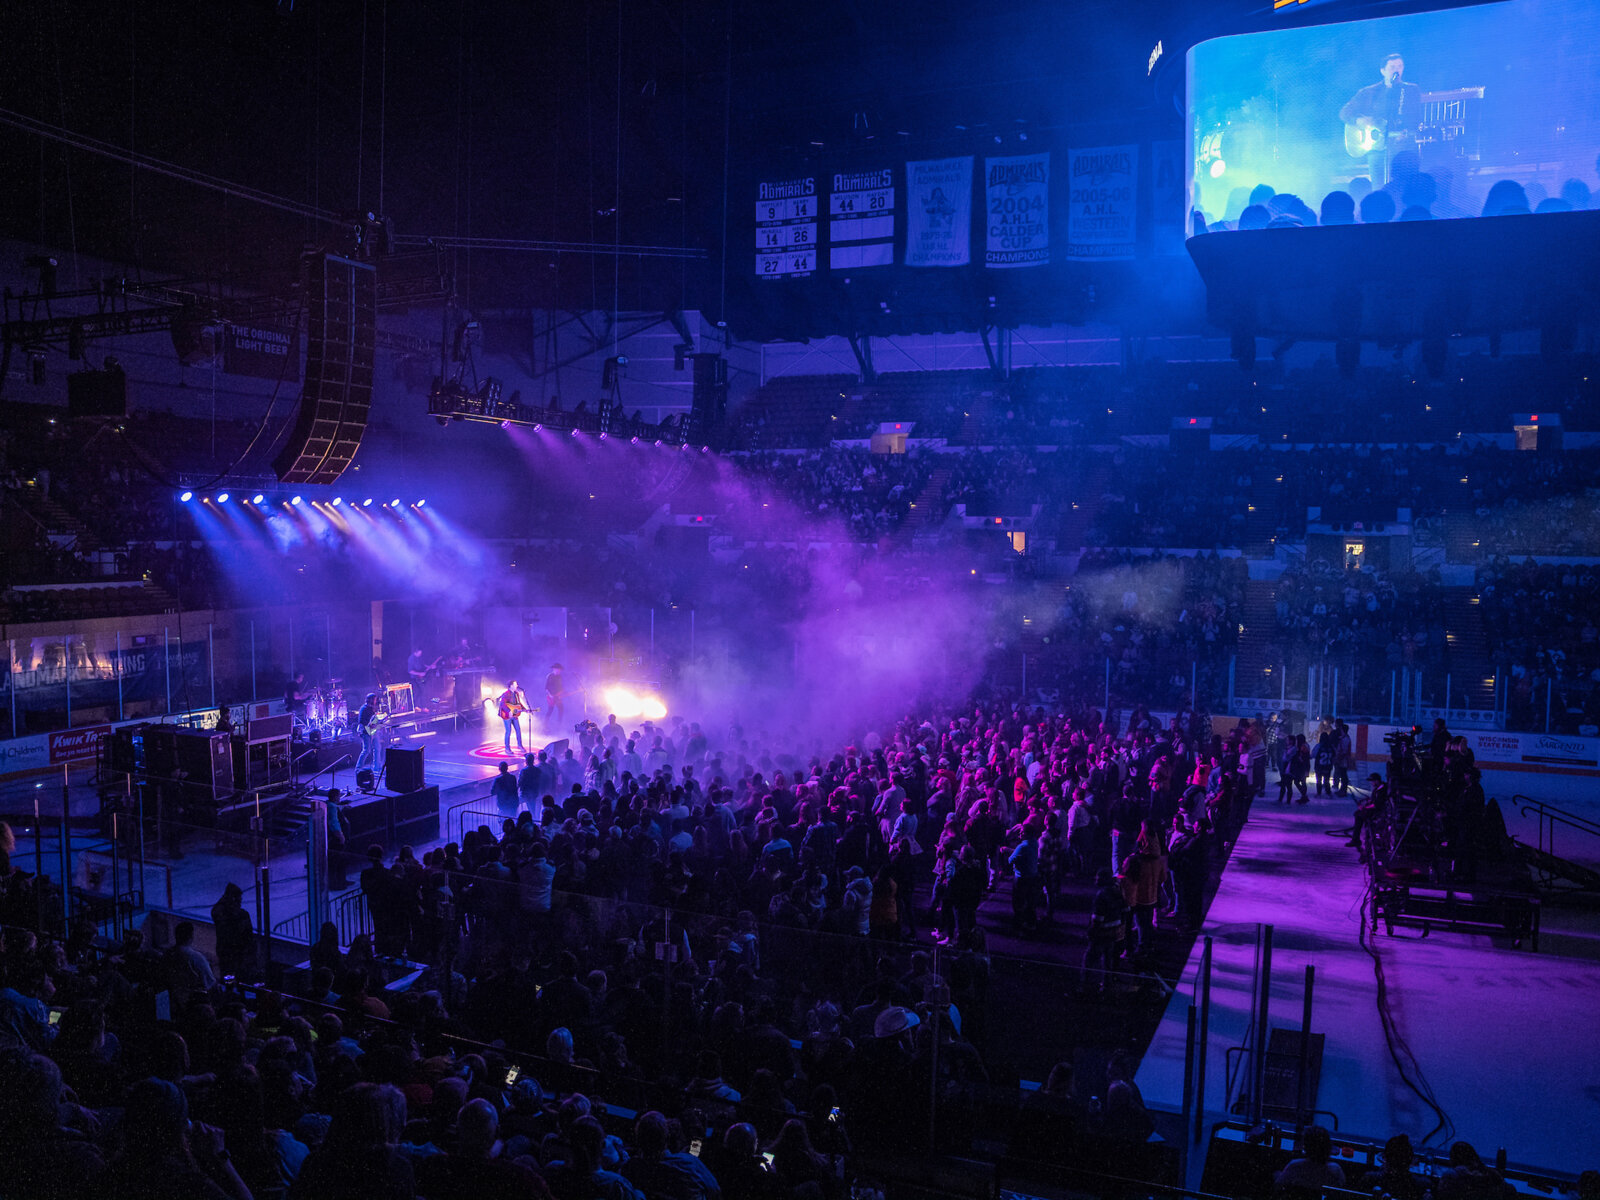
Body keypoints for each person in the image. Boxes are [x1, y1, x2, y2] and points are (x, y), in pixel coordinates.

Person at [1339, 53, 1421, 187]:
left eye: (1400, 66)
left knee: (1403, 186)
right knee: (1379, 188)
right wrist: (1358, 121)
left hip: (1402, 147)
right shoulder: (1369, 92)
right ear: (1382, 71)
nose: (1397, 70)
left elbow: (1415, 118)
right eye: (1392, 67)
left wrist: (1406, 131)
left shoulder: (1411, 90)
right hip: (1376, 148)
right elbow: (1344, 113)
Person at [1275, 1124, 1346, 1193]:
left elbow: (1278, 1185)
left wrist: (1278, 1175)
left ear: (1306, 1146)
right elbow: (1341, 1188)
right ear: (1328, 1147)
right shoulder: (1336, 1170)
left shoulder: (1294, 1166)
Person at [210, 881, 254, 981]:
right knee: (233, 977)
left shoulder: (231, 913)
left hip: (232, 952)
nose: (240, 901)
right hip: (232, 952)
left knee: (231, 977)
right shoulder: (238, 915)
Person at [497, 680, 527, 755]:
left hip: (514, 715)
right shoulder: (506, 694)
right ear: (511, 686)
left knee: (518, 730)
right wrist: (508, 711)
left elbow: (518, 703)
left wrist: (524, 709)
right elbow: (502, 704)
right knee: (508, 731)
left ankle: (520, 745)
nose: (517, 685)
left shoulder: (516, 693)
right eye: (515, 684)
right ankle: (507, 748)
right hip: (507, 716)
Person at [355, 692, 380, 773]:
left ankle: (377, 767)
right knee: (366, 750)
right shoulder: (364, 708)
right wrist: (370, 725)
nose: (376, 701)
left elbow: (373, 719)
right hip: (365, 731)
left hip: (371, 731)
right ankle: (358, 768)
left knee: (377, 748)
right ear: (371, 700)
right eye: (375, 699)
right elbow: (361, 721)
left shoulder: (371, 708)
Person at [545, 663, 568, 727]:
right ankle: (545, 725)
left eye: (560, 670)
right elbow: (546, 688)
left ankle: (558, 726)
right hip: (551, 697)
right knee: (550, 711)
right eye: (558, 669)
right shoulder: (550, 676)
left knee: (561, 709)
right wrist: (550, 695)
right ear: (554, 669)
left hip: (558, 696)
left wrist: (563, 692)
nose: (559, 671)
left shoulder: (559, 677)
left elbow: (560, 687)